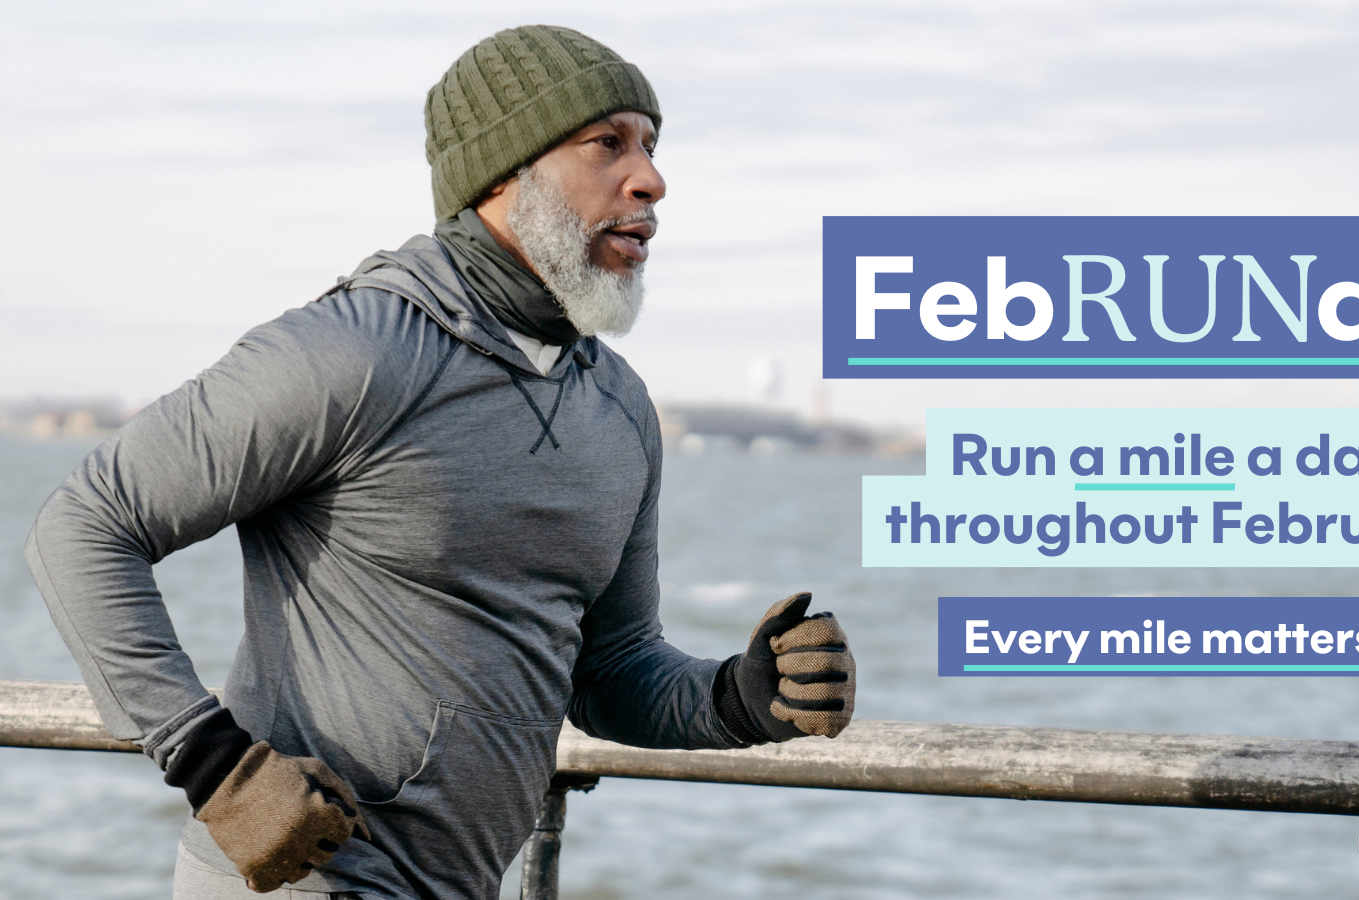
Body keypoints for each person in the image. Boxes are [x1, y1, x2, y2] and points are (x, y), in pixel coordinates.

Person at [25, 25, 856, 900]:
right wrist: (211, 760)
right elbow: (81, 527)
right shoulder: (353, 353)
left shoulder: (618, 408)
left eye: (651, 145)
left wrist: (742, 698)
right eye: (607, 143)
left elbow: (609, 673)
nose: (651, 178)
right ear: (505, 172)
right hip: (305, 883)